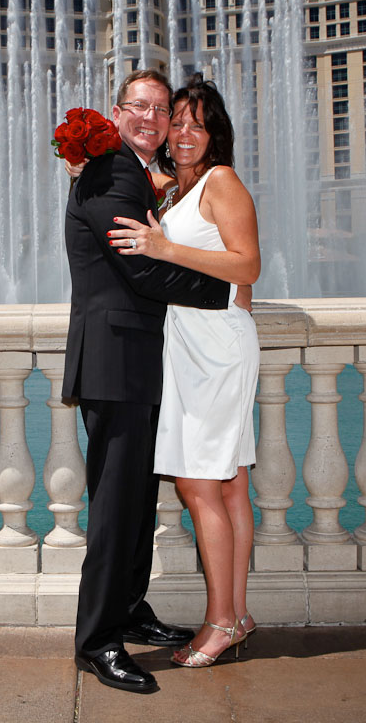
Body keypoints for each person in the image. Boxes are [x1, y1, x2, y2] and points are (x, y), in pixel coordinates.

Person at [63, 69, 231, 694]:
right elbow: (142, 269)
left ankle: (129, 610)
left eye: (162, 111)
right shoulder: (110, 172)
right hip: (116, 361)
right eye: (140, 106)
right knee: (113, 506)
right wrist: (225, 287)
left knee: (135, 502)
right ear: (117, 112)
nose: (152, 119)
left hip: (139, 360)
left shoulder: (131, 174)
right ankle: (98, 642)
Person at [107, 73, 261, 668]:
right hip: (194, 343)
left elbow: (247, 265)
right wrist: (80, 164)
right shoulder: (174, 189)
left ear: (214, 131)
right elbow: (127, 169)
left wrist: (163, 248)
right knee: (230, 484)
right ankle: (239, 614)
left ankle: (221, 621)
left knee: (200, 485)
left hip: (216, 346)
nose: (185, 132)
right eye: (179, 122)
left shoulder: (221, 181)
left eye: (198, 123)